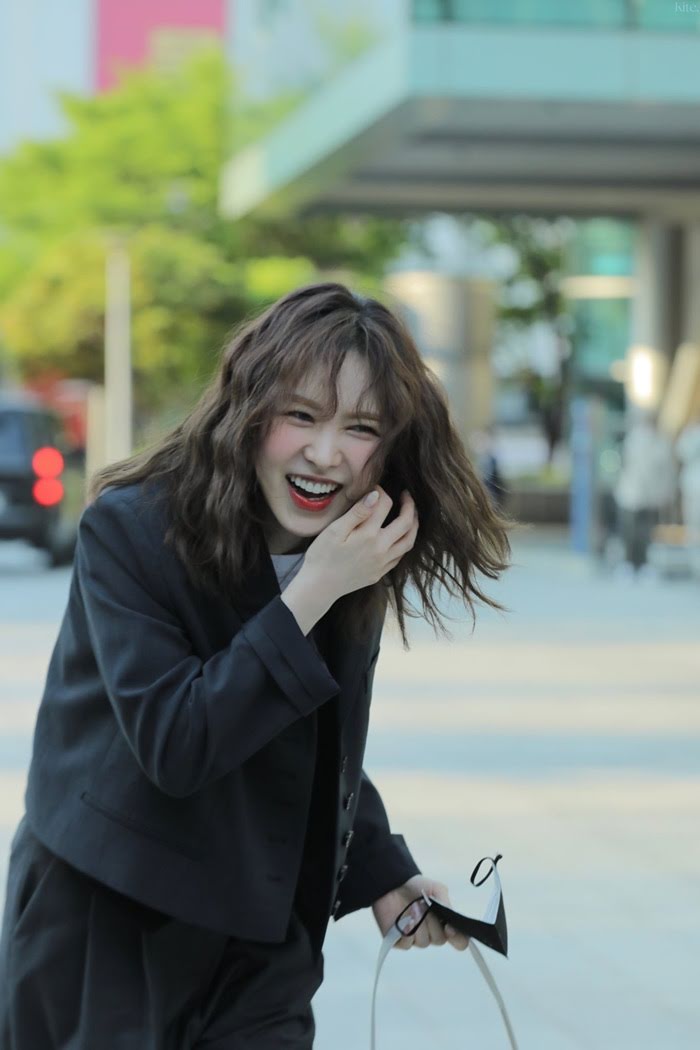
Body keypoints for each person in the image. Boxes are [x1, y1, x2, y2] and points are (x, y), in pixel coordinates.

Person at [0, 282, 510, 1049]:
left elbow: (311, 736)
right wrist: (311, 592)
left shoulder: (348, 547)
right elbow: (178, 743)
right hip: (107, 921)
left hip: (258, 940)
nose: (325, 453)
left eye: (360, 428)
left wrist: (380, 869)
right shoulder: (129, 530)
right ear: (249, 411)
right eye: (300, 415)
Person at [614, 412, 676, 572]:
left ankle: (641, 563)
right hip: (634, 493)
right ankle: (630, 562)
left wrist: (665, 492)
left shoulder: (659, 442)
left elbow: (666, 470)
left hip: (646, 495)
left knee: (644, 531)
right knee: (633, 531)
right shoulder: (637, 440)